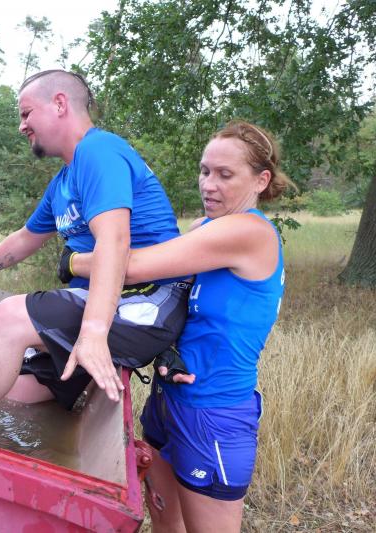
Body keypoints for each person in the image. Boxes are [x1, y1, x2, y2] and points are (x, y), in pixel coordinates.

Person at [0, 70, 190, 435]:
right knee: (17, 395)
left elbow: (114, 241)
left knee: (10, 317)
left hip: (148, 300)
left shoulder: (98, 152)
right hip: (103, 301)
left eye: (26, 113)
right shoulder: (63, 182)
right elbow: (26, 237)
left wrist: (94, 332)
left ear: (60, 104)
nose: (21, 126)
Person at [69, 120, 294, 532]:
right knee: (164, 521)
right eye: (205, 171)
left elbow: (132, 267)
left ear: (261, 180)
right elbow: (174, 296)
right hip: (168, 398)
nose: (209, 184)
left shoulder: (250, 231)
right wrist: (169, 350)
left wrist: (72, 261)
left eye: (225, 175)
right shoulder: (204, 228)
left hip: (214, 412)